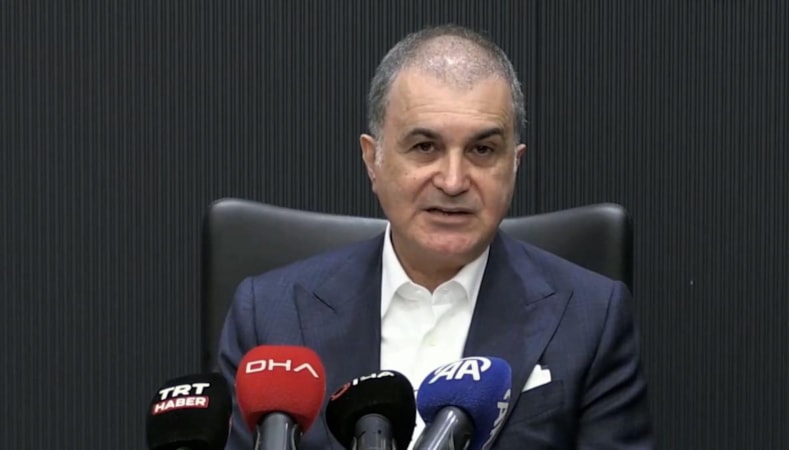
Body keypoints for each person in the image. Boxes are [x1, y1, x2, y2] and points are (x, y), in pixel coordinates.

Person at [218, 24, 653, 449]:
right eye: (425, 147)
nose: (453, 180)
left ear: (514, 165)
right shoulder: (269, 315)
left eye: (482, 150)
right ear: (373, 160)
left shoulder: (592, 319)